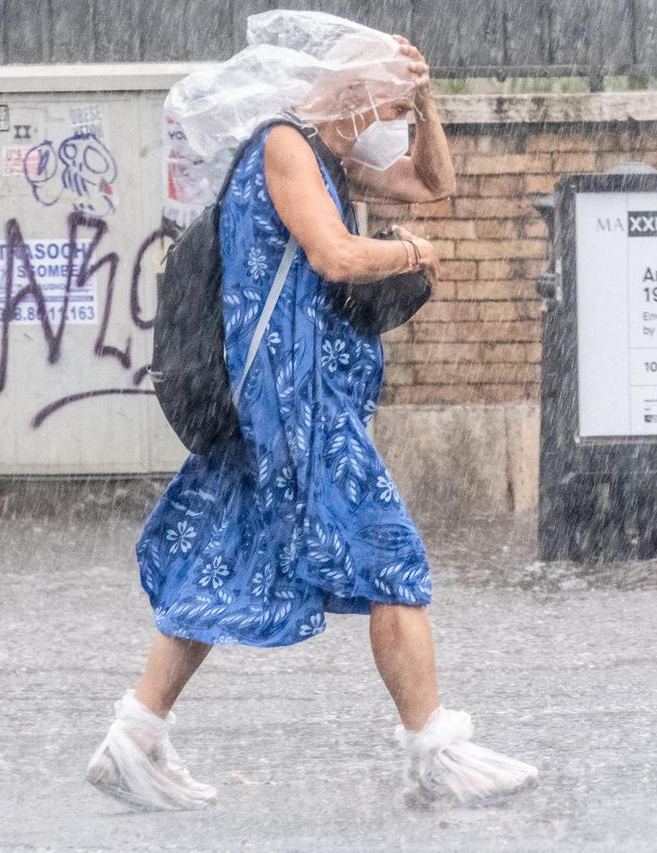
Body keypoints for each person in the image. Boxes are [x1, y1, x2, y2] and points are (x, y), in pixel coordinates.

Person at [85, 13, 538, 811]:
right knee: (390, 551)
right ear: (351, 92)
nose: (392, 121)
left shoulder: (332, 155)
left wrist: (427, 103)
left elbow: (435, 184)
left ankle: (136, 736)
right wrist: (411, 254)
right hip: (294, 400)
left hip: (294, 396)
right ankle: (434, 748)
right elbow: (334, 254)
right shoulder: (286, 145)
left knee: (218, 558)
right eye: (389, 105)